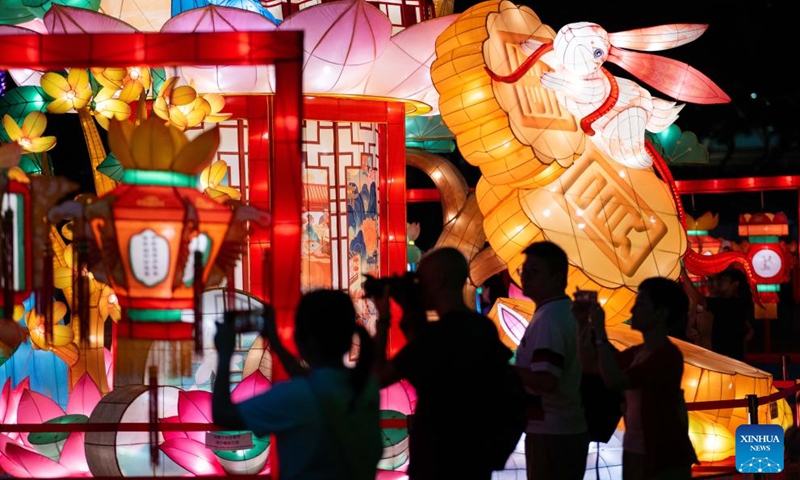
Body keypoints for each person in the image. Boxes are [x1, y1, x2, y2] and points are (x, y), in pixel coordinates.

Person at [372, 246, 514, 480]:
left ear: (438, 280)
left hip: (438, 457)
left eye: (421, 279)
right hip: (475, 455)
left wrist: (384, 318)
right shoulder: (482, 328)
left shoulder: (438, 336)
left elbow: (378, 377)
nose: (418, 286)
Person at [212, 289, 382, 480]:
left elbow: (222, 414)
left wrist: (225, 352)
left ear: (304, 341)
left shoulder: (295, 397)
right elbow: (317, 383)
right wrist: (276, 346)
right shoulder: (366, 386)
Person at [588, 277, 698, 479]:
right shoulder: (640, 352)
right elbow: (595, 365)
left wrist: (600, 333)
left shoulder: (667, 355)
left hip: (663, 454)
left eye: (641, 304)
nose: (632, 311)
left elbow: (614, 379)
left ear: (660, 314)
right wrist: (582, 326)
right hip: (636, 449)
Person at [514, 241, 589, 480]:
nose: (525, 277)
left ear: (557, 278)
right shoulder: (560, 312)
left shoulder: (550, 319)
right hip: (563, 428)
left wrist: (503, 371)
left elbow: (546, 380)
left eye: (534, 272)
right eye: (523, 270)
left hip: (551, 432)